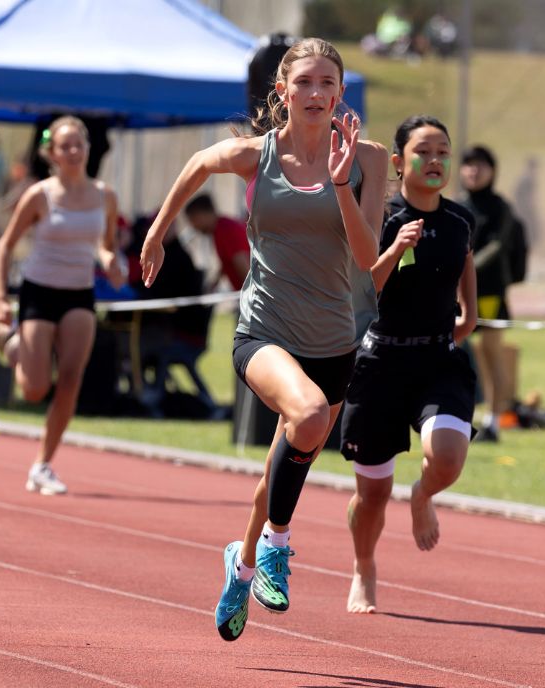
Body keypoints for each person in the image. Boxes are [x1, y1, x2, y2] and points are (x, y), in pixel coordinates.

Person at [138, 38, 386, 641]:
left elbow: (365, 256)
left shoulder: (369, 159)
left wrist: (342, 184)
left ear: (340, 94)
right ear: (282, 92)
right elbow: (198, 164)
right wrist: (157, 232)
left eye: (328, 83)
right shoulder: (259, 155)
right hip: (266, 329)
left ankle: (242, 565)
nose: (316, 93)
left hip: (334, 341)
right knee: (304, 417)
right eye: (303, 82)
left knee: (278, 467)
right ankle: (277, 546)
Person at [340, 115, 477, 613]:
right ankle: (363, 567)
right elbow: (361, 293)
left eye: (443, 150)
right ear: (398, 163)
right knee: (372, 494)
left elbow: (470, 309)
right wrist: (396, 249)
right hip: (379, 364)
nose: (436, 160)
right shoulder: (381, 217)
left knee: (446, 454)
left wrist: (447, 338)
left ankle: (422, 495)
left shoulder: (461, 222)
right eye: (424, 151)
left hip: (437, 360)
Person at [0, 115, 123, 496]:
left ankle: (43, 464)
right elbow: (6, 246)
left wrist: (110, 261)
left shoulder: (104, 195)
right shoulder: (39, 195)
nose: (73, 151)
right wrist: (1, 298)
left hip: (79, 294)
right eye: (64, 146)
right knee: (34, 389)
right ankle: (13, 344)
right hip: (39, 291)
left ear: (87, 148)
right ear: (51, 152)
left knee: (70, 380)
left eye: (78, 143)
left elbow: (106, 243)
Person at [460, 145, 518, 441]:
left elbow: (497, 246)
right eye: (468, 165)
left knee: (493, 354)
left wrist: (466, 267)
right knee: (456, 353)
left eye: (480, 165)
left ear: (492, 171)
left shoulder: (500, 207)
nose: (473, 170)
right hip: (458, 293)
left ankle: (493, 421)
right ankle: (457, 418)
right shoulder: (457, 205)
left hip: (489, 291)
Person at [184, 193, 250, 289]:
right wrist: (215, 282)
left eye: (193, 220)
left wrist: (252, 294)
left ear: (202, 215)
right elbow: (228, 261)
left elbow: (242, 263)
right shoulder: (220, 230)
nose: (193, 226)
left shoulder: (226, 230)